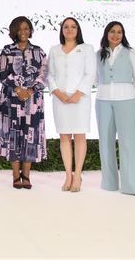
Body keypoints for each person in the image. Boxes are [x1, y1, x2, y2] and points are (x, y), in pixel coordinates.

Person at [0, 16, 47, 189]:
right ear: (14, 31)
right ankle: (16, 175)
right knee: (13, 136)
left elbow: (43, 75)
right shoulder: (7, 50)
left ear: (30, 30)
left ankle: (26, 175)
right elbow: (3, 74)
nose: (23, 32)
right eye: (19, 29)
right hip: (11, 101)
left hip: (33, 102)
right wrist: (18, 89)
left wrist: (30, 91)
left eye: (26, 28)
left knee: (30, 137)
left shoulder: (39, 51)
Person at [95, 21, 135, 196]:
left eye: (119, 32)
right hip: (103, 101)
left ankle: (133, 186)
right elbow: (95, 79)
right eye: (112, 31)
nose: (116, 35)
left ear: (123, 35)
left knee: (129, 142)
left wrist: (128, 91)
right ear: (106, 33)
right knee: (105, 142)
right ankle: (109, 183)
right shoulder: (98, 54)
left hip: (126, 100)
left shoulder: (131, 53)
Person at [48, 17, 96, 192]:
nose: (69, 29)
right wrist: (57, 92)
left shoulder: (87, 49)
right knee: (64, 136)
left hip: (80, 99)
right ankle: (68, 174)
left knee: (80, 135)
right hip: (60, 99)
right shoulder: (54, 50)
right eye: (66, 27)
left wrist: (78, 93)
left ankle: (78, 175)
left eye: (73, 26)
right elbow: (50, 75)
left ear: (78, 30)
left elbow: (90, 73)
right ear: (62, 30)